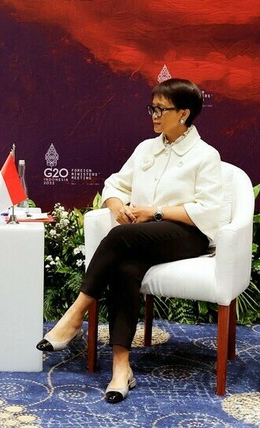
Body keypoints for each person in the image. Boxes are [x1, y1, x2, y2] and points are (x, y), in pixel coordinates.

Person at [36, 78, 222, 403]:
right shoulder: (146, 148)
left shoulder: (206, 155)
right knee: (126, 269)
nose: (154, 115)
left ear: (184, 113)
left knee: (120, 236)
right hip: (141, 237)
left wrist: (156, 211)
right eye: (152, 108)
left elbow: (209, 210)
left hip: (187, 235)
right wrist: (116, 205)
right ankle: (121, 368)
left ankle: (76, 314)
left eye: (161, 109)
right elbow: (114, 185)